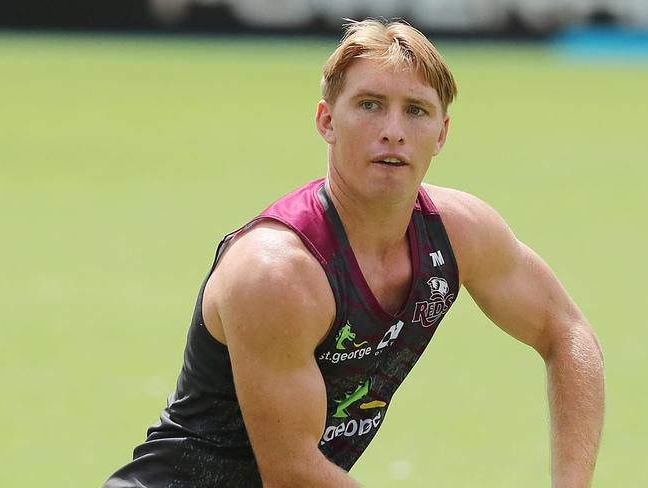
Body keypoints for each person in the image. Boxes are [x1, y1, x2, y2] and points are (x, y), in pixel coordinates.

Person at [103, 18, 604, 488]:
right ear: (326, 121)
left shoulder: (460, 232)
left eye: (416, 110)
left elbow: (567, 333)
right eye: (369, 104)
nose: (393, 130)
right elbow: (292, 473)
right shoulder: (277, 272)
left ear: (441, 134)